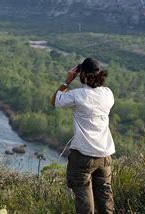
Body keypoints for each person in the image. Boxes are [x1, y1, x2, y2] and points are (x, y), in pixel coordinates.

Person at [51, 57, 115, 214]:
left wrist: (67, 81)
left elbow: (55, 101)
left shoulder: (77, 95)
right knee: (105, 199)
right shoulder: (108, 94)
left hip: (83, 157)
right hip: (105, 155)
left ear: (82, 74)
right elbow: (96, 91)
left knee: (85, 203)